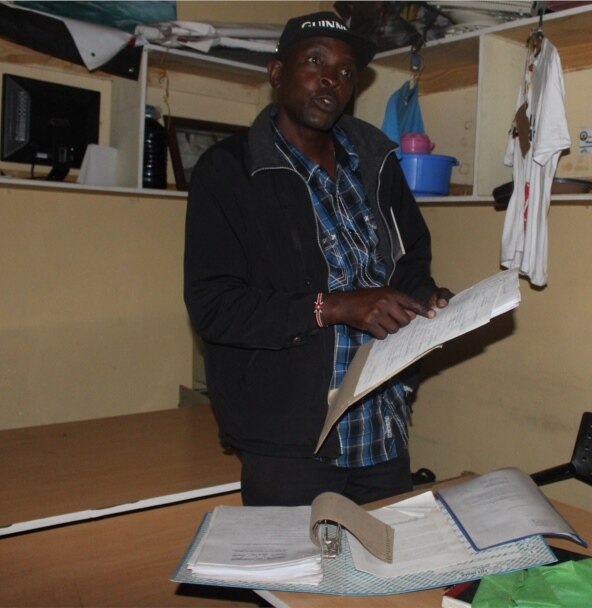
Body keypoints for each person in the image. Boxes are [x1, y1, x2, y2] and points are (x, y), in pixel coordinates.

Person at [183, 12, 452, 507]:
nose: (333, 79)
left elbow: (410, 264)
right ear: (276, 72)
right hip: (290, 444)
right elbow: (214, 306)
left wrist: (427, 302)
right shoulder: (228, 172)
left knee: (388, 579)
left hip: (381, 430)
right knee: (298, 584)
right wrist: (333, 306)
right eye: (315, 62)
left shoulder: (377, 162)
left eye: (347, 72)